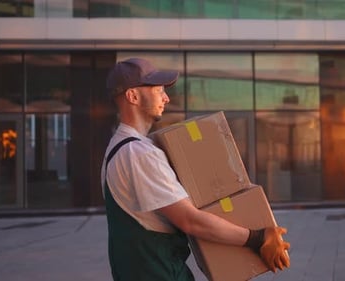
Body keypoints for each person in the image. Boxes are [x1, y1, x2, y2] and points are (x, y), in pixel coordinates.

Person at [101, 57, 290, 281]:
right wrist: (257, 238)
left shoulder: (119, 147)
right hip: (158, 273)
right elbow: (190, 221)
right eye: (158, 90)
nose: (166, 97)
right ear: (133, 96)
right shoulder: (139, 154)